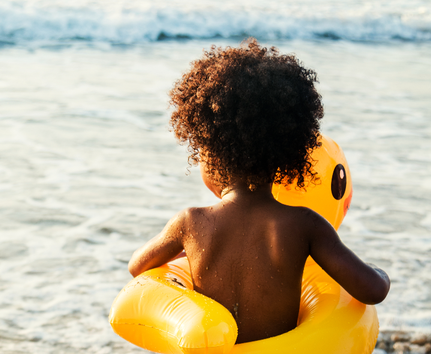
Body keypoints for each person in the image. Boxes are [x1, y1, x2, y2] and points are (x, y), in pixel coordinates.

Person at [128, 39, 390, 344]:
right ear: (290, 154)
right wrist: (380, 272)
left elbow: (138, 266)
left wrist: (185, 252)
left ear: (207, 150)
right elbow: (372, 290)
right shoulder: (304, 225)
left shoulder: (190, 223)